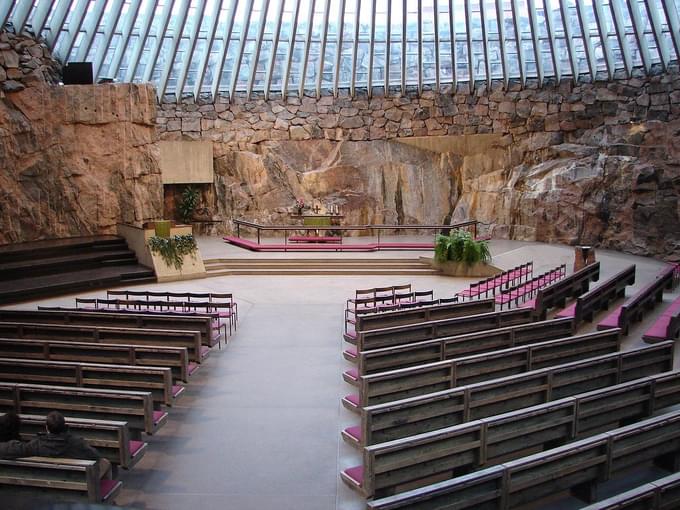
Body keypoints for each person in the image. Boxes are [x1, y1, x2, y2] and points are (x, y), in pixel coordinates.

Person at [0, 411, 112, 478]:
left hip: (47, 478)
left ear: (47, 428)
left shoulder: (36, 445)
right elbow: (96, 456)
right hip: (76, 480)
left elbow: (9, 449)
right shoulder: (76, 442)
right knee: (105, 462)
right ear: (64, 426)